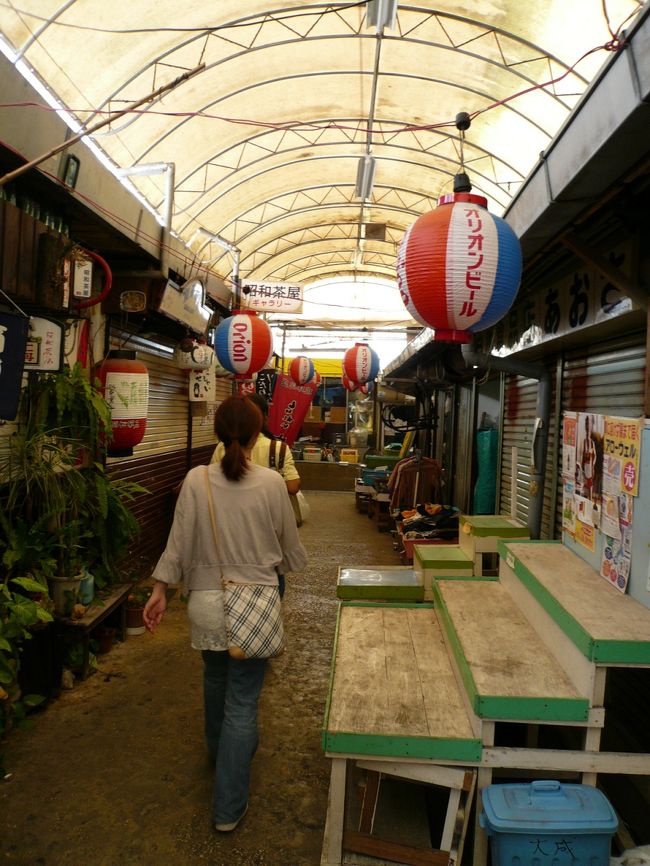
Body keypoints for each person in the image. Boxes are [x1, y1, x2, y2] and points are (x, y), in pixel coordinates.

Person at [144, 396, 307, 833]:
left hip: (206, 604)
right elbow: (290, 552)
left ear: (216, 434)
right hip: (253, 603)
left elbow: (176, 542)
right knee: (242, 702)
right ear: (258, 435)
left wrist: (160, 589)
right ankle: (228, 806)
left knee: (215, 681)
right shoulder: (274, 482)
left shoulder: (195, 480)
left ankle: (220, 760)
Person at [211, 393, 302, 596]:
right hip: (266, 548)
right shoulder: (278, 450)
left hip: (225, 543)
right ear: (262, 421)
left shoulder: (211, 460)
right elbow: (294, 486)